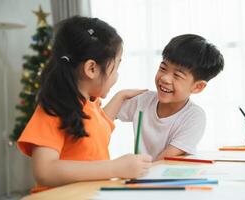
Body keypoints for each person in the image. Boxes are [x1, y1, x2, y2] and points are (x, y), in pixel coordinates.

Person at [17, 16, 151, 193]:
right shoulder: (53, 108)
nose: (117, 76)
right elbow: (45, 170)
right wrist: (115, 168)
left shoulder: (88, 104)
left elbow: (95, 130)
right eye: (116, 67)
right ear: (92, 69)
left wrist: (120, 97)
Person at [106, 34, 224, 161]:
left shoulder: (194, 116)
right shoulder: (144, 101)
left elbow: (164, 160)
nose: (165, 78)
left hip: (171, 177)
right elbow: (97, 122)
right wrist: (120, 96)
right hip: (143, 174)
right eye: (163, 68)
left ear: (198, 87)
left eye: (177, 75)